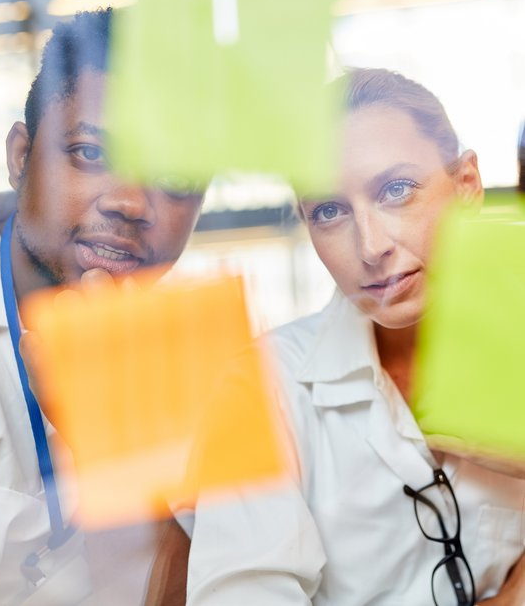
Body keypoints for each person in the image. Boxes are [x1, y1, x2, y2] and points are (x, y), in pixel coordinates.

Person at [186, 68, 525, 605]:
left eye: (396, 190)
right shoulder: (265, 384)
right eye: (328, 211)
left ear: (466, 186)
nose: (370, 246)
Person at [0, 8, 203, 605]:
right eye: (92, 154)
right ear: (20, 156)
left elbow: (217, 587)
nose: (127, 200)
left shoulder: (213, 363)